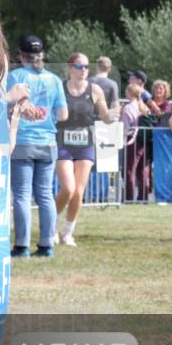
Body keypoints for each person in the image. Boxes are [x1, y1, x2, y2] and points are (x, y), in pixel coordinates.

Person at [6, 35, 68, 258]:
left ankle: (21, 246)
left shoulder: (15, 77)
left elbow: (7, 104)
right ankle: (46, 245)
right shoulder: (54, 80)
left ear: (21, 55)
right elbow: (62, 114)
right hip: (48, 142)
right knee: (45, 195)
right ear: (42, 55)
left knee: (22, 195)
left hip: (22, 140)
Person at [54, 53, 115, 246]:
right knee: (68, 189)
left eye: (87, 66)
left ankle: (68, 233)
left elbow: (105, 117)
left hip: (85, 144)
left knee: (79, 192)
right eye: (80, 66)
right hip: (63, 142)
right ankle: (51, 226)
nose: (84, 70)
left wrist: (113, 115)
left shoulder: (95, 89)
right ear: (70, 68)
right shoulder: (60, 88)